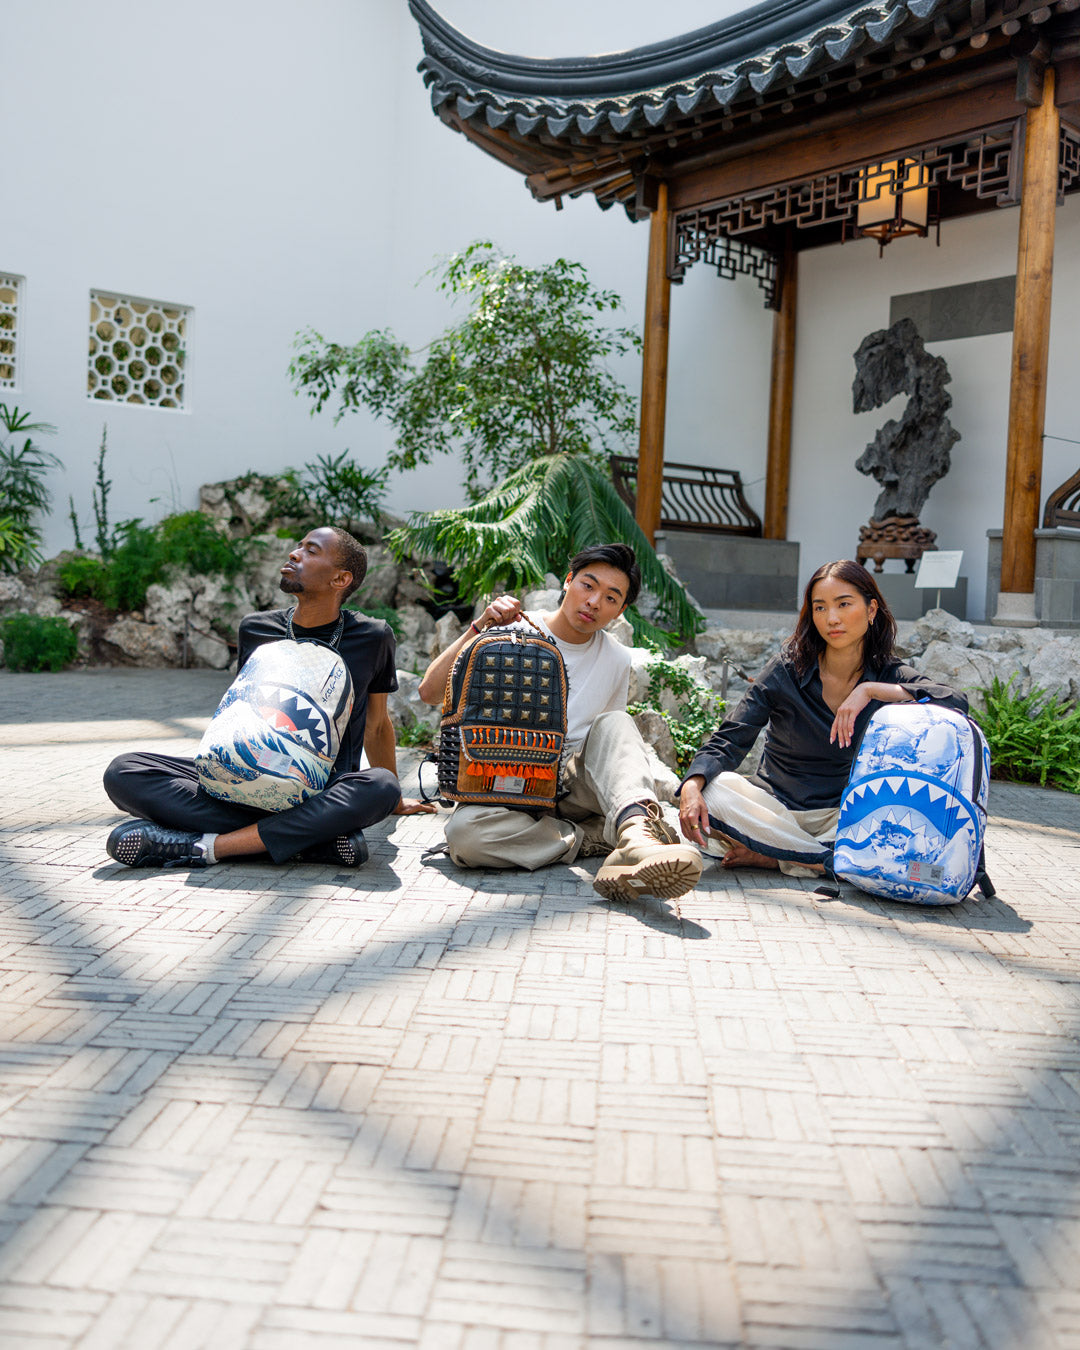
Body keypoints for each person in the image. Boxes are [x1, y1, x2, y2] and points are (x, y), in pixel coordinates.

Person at [104, 526, 435, 870]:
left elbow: (376, 726)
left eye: (311, 550)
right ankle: (310, 842)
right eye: (298, 546)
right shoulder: (255, 628)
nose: (294, 553)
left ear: (340, 579)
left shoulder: (372, 637)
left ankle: (210, 846)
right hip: (239, 776)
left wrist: (395, 801)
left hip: (321, 788)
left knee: (381, 787)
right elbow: (243, 711)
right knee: (124, 771)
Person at [418, 542, 702, 902]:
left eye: (611, 597)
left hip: (568, 787)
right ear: (568, 581)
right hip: (501, 777)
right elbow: (429, 692)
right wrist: (480, 627)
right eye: (588, 585)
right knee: (465, 836)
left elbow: (607, 746)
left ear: (621, 610)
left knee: (616, 722)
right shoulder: (511, 628)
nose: (594, 602)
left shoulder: (616, 658)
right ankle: (594, 838)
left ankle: (636, 834)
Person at [677, 558, 966, 876]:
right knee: (715, 789)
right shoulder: (787, 668)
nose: (832, 618)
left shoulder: (887, 674)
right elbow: (733, 735)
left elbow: (954, 701)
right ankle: (825, 860)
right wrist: (692, 786)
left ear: (871, 610)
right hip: (772, 811)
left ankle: (781, 855)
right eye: (820, 607)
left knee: (894, 822)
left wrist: (870, 690)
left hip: (841, 818)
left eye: (844, 604)